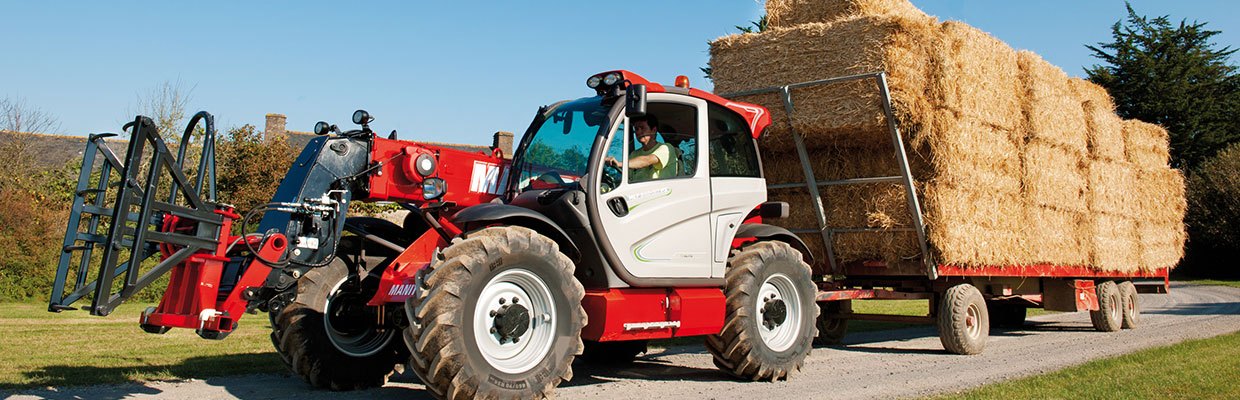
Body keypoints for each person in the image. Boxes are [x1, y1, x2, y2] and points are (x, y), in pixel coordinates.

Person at [605, 114, 680, 182]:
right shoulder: (634, 154)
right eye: (636, 129)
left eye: (642, 128)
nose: (638, 132)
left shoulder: (666, 148)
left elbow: (647, 160)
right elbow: (627, 176)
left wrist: (619, 163)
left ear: (653, 130)